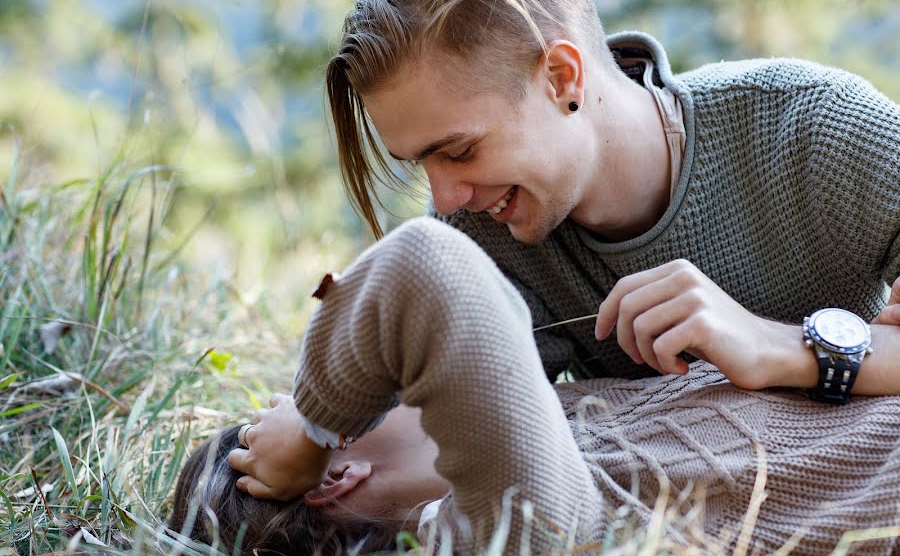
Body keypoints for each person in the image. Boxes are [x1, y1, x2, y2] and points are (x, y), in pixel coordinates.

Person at [326, 0, 900, 387]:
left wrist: (772, 347)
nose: (446, 199)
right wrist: (317, 433)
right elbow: (446, 427)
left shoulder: (815, 125)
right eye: (422, 162)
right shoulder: (478, 236)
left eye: (459, 151)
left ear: (560, 77)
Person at [172, 218, 900, 555]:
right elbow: (426, 265)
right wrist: (310, 433)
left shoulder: (568, 429)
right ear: (336, 478)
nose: (371, 390)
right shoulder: (501, 526)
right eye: (328, 409)